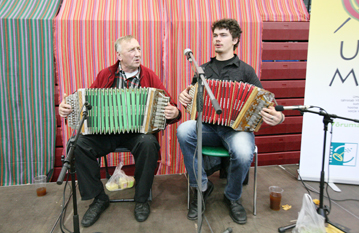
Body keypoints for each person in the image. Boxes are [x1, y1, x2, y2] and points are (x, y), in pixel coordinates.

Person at [59, 35, 181, 227]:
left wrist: (174, 112)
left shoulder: (149, 75)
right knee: (78, 144)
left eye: (139, 49)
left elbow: (171, 105)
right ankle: (99, 198)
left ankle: (141, 200)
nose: (138, 54)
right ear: (119, 55)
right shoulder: (105, 74)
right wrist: (67, 108)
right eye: (132, 50)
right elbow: (85, 103)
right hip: (106, 132)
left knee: (149, 143)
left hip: (137, 133)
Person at [177, 19, 284, 224]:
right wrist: (185, 97)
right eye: (215, 35)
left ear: (235, 40)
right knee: (183, 130)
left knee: (244, 152)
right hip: (208, 127)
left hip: (236, 130)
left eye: (223, 35)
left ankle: (232, 196)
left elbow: (267, 103)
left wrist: (278, 116)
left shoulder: (246, 71)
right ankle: (202, 188)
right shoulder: (202, 69)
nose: (217, 39)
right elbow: (191, 100)